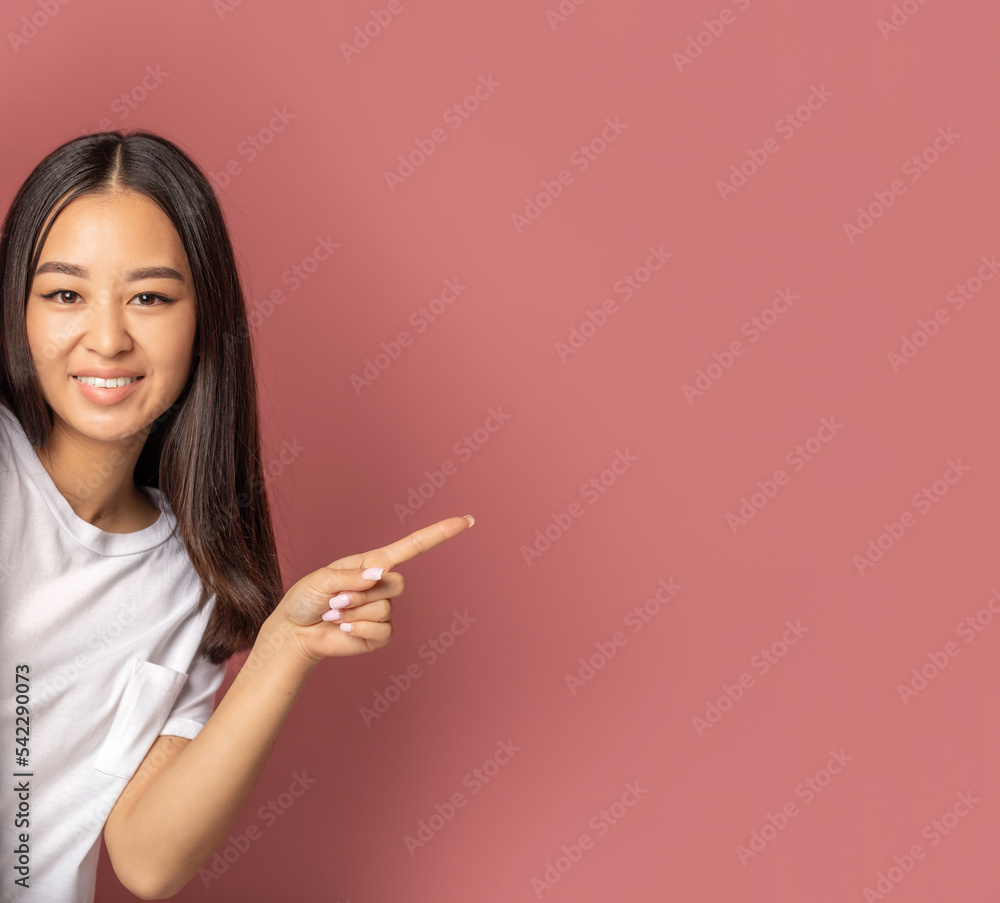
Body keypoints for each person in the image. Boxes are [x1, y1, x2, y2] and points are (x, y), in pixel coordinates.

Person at [0, 129, 474, 901]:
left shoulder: (189, 580)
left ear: (203, 319)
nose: (109, 337)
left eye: (149, 297)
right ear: (16, 309)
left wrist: (284, 648)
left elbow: (148, 860)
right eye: (64, 294)